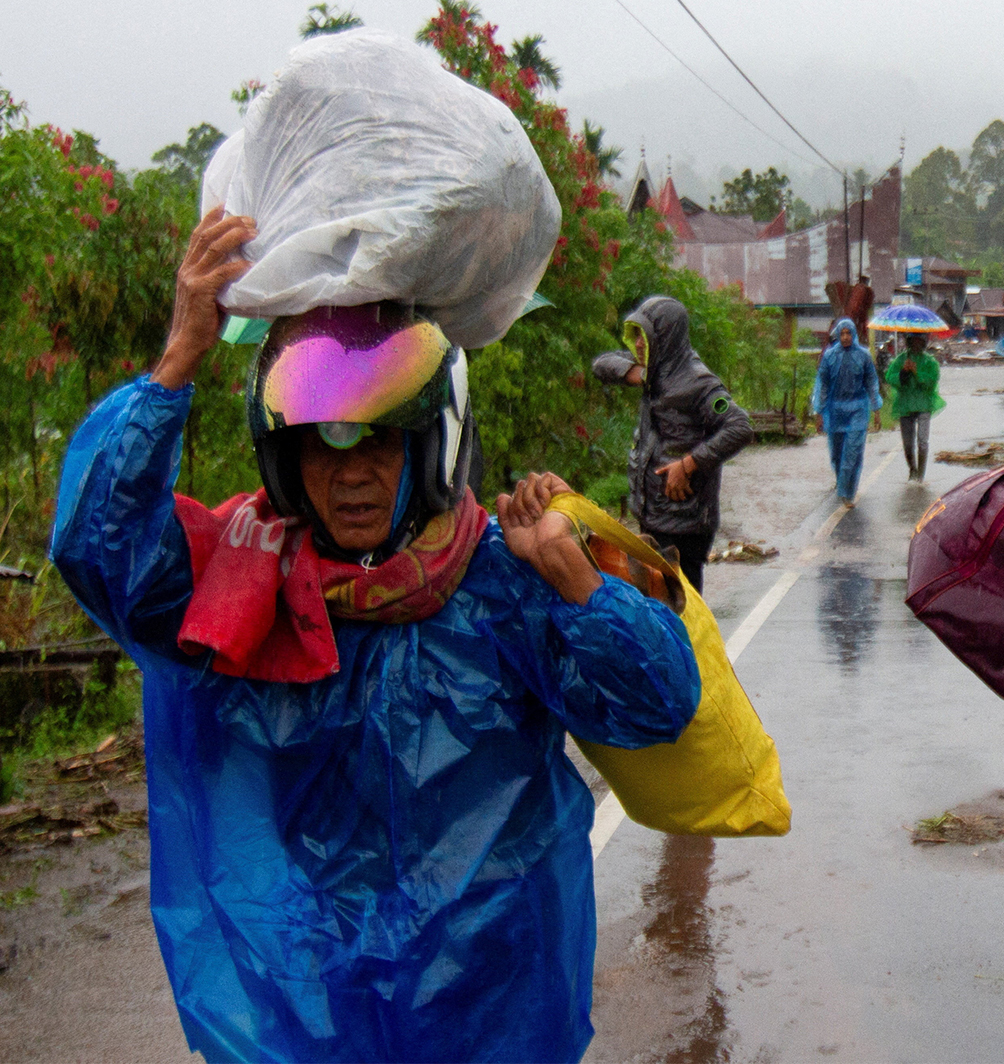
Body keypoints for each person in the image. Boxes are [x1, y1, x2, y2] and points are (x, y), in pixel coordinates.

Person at [50, 210, 702, 1064]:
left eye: (382, 444)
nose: (350, 473)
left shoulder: (498, 578)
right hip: (312, 998)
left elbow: (659, 703)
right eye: (319, 447)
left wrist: (579, 583)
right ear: (285, 462)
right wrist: (179, 361)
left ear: (434, 447)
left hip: (492, 993)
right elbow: (102, 554)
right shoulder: (245, 586)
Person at [593, 295, 754, 593]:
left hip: (685, 521)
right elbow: (601, 365)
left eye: (646, 337)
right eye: (637, 336)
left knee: (683, 610)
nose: (639, 344)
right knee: (658, 605)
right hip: (653, 514)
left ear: (665, 337)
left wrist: (689, 463)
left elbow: (740, 426)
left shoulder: (698, 382)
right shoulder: (654, 372)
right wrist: (637, 374)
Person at [812, 317, 881, 506]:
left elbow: (871, 383)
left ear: (854, 334)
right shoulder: (830, 356)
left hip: (858, 409)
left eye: (848, 333)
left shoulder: (864, 356)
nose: (845, 337)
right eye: (841, 333)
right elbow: (823, 385)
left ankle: (847, 493)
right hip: (836, 411)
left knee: (852, 452)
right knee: (836, 453)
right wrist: (819, 411)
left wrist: (876, 409)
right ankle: (841, 481)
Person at [885, 332, 945, 482]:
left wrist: (917, 373)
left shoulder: (930, 362)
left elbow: (932, 381)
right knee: (908, 443)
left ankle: (921, 475)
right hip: (905, 405)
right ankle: (912, 468)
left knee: (923, 442)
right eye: (914, 341)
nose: (917, 344)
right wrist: (903, 372)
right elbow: (889, 377)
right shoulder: (900, 359)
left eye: (920, 341)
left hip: (924, 404)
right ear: (909, 342)